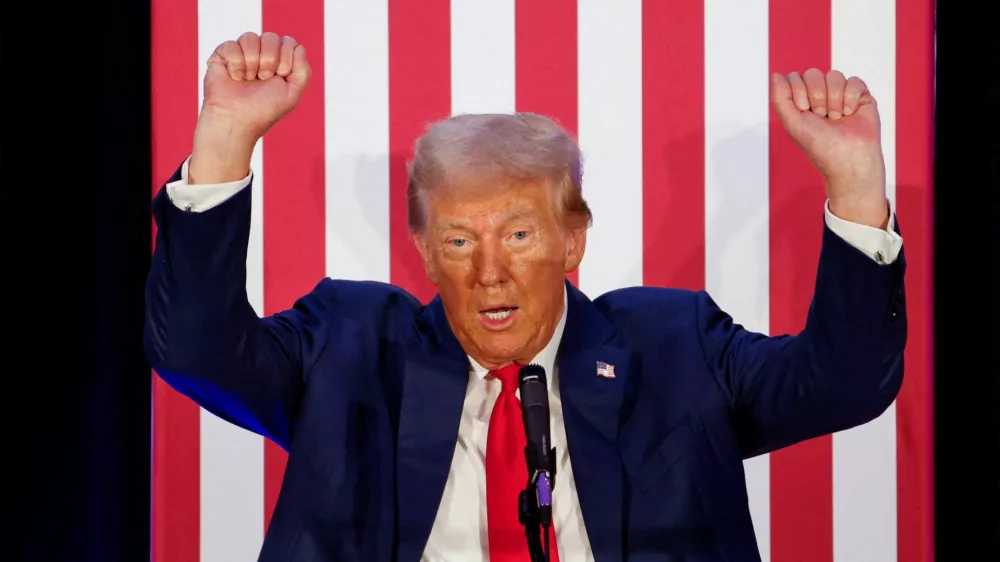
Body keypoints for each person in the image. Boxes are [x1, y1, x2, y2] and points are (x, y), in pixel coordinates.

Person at [144, 31, 906, 562]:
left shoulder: (676, 347)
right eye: (458, 240)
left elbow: (840, 385)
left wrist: (854, 183)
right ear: (425, 252)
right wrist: (225, 142)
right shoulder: (348, 348)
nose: (488, 272)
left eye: (516, 236)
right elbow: (196, 349)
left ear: (572, 241)